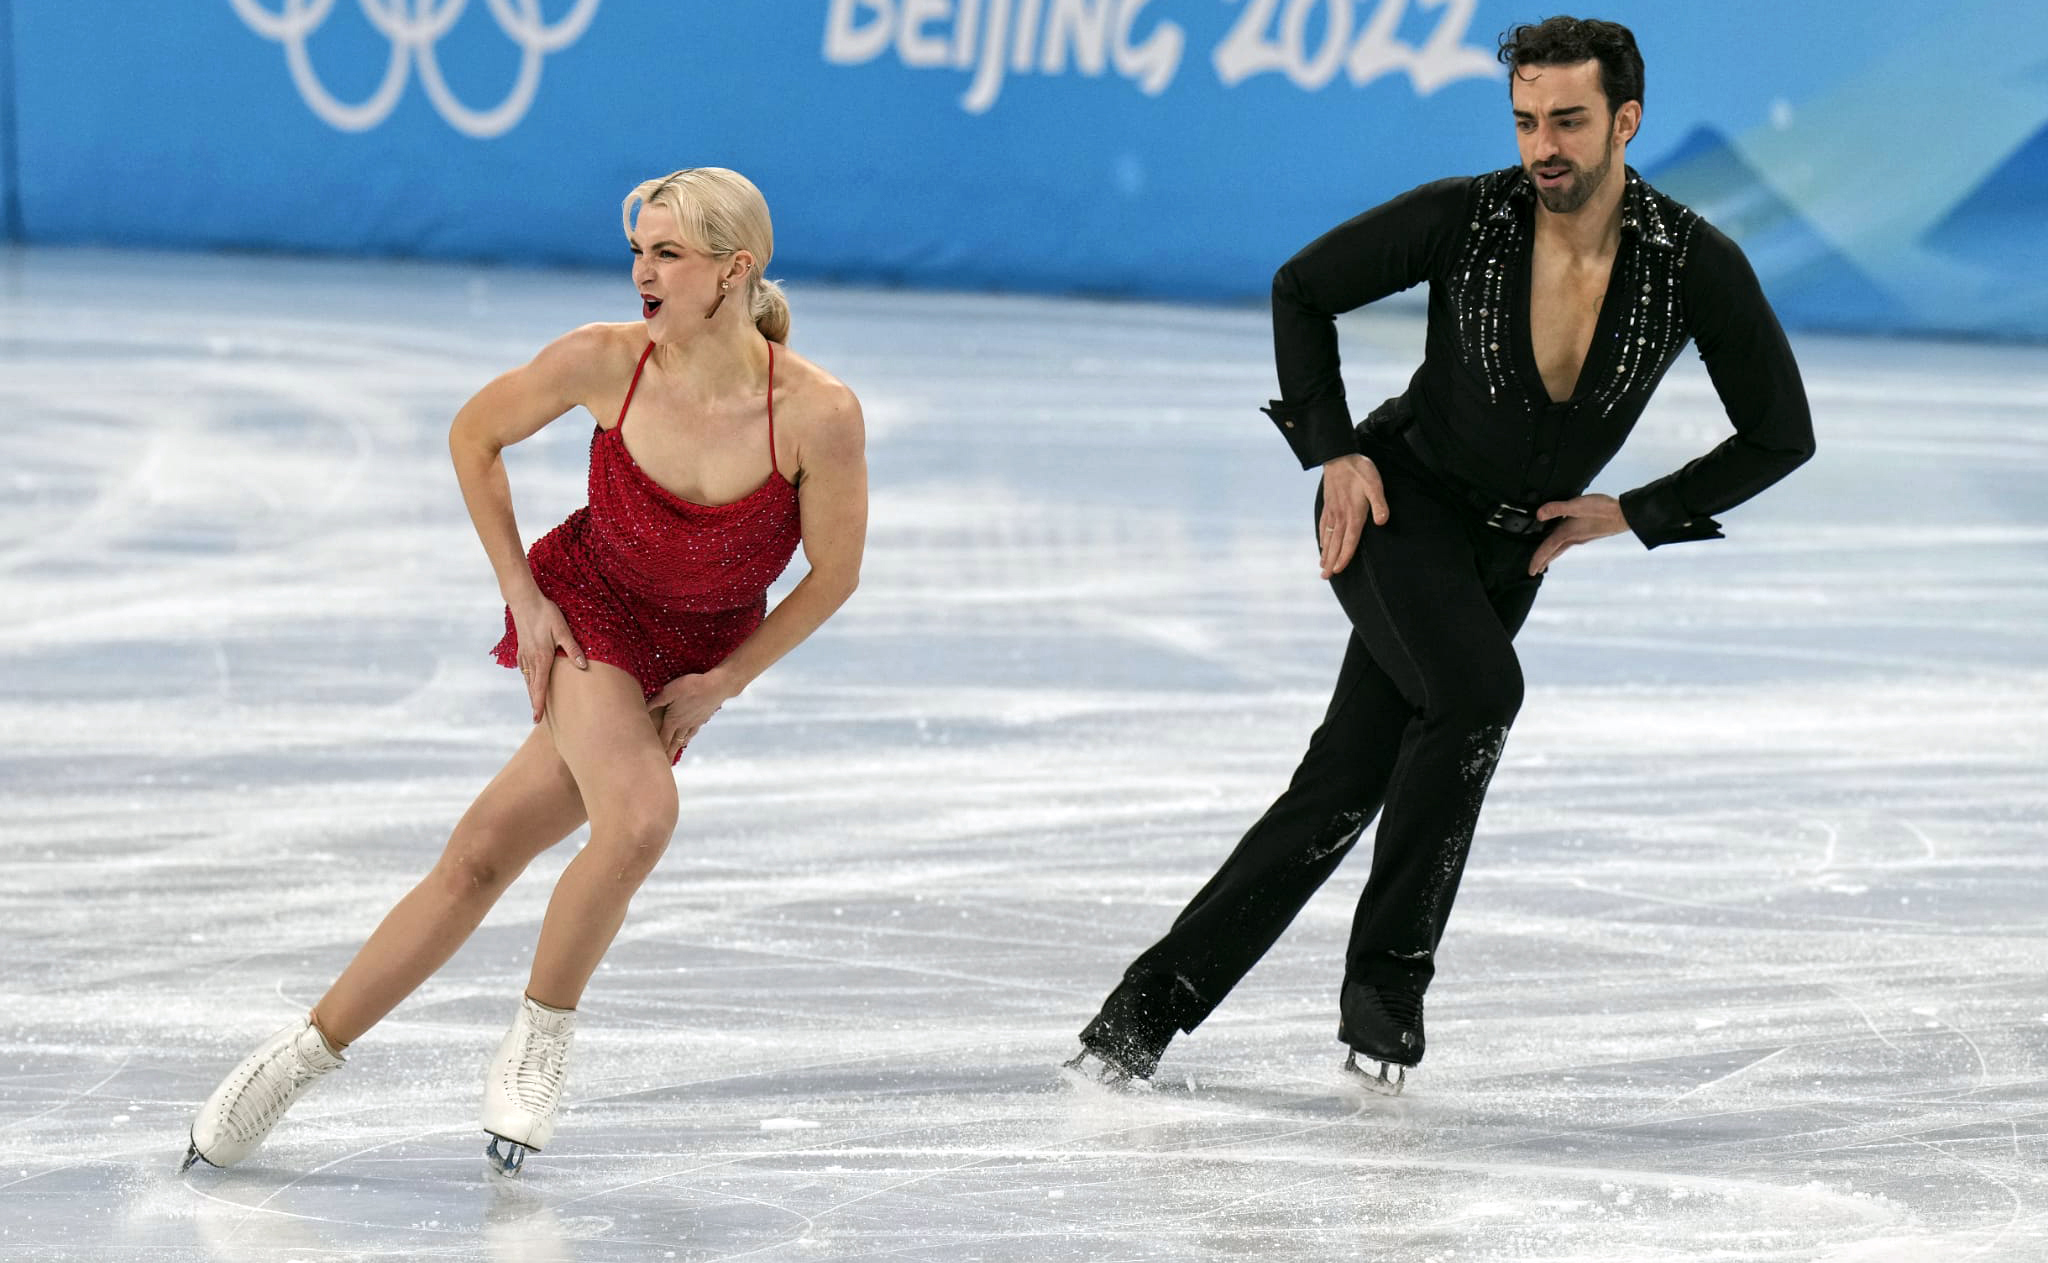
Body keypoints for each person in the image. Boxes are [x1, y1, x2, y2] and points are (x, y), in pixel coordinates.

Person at [1068, 17, 1814, 1093]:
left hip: (1507, 555)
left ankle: (1136, 1021)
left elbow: (1778, 433)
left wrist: (1631, 513)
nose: (1540, 145)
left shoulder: (1689, 263)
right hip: (1396, 507)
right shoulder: (1467, 219)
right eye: (1523, 120)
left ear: (1624, 120)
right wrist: (1330, 453)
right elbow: (1301, 288)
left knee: (1339, 788)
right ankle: (1385, 992)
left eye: (1566, 120)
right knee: (1474, 694)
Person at [183, 167, 868, 1175]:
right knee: (637, 819)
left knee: (479, 857)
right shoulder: (605, 361)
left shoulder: (815, 413)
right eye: (637, 249)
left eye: (666, 254)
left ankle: (295, 1059)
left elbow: (834, 573)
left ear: (736, 270)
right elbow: (474, 435)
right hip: (591, 609)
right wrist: (526, 596)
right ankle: (542, 1040)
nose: (641, 271)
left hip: (696, 649)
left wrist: (726, 680)